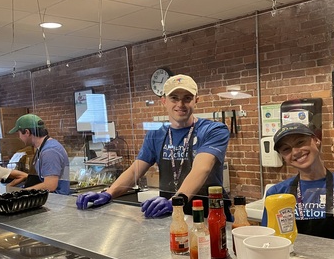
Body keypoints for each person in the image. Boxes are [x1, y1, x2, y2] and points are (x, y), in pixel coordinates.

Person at [76, 74, 230, 218]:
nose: (180, 104)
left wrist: (176, 201)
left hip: (210, 214)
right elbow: (135, 170)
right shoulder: (156, 134)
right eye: (174, 98)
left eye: (187, 98)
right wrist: (108, 193)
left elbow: (202, 168)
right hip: (171, 215)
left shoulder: (213, 130)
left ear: (196, 100)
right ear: (164, 101)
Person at [261, 123, 334, 244]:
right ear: (282, 156)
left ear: (316, 140)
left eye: (300, 142)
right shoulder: (275, 194)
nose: (295, 152)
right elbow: (271, 241)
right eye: (286, 149)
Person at [8, 113, 70, 194]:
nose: (19, 137)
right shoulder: (42, 148)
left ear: (27, 132)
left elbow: (50, 185)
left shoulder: (50, 151)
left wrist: (22, 192)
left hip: (57, 200)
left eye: (19, 133)